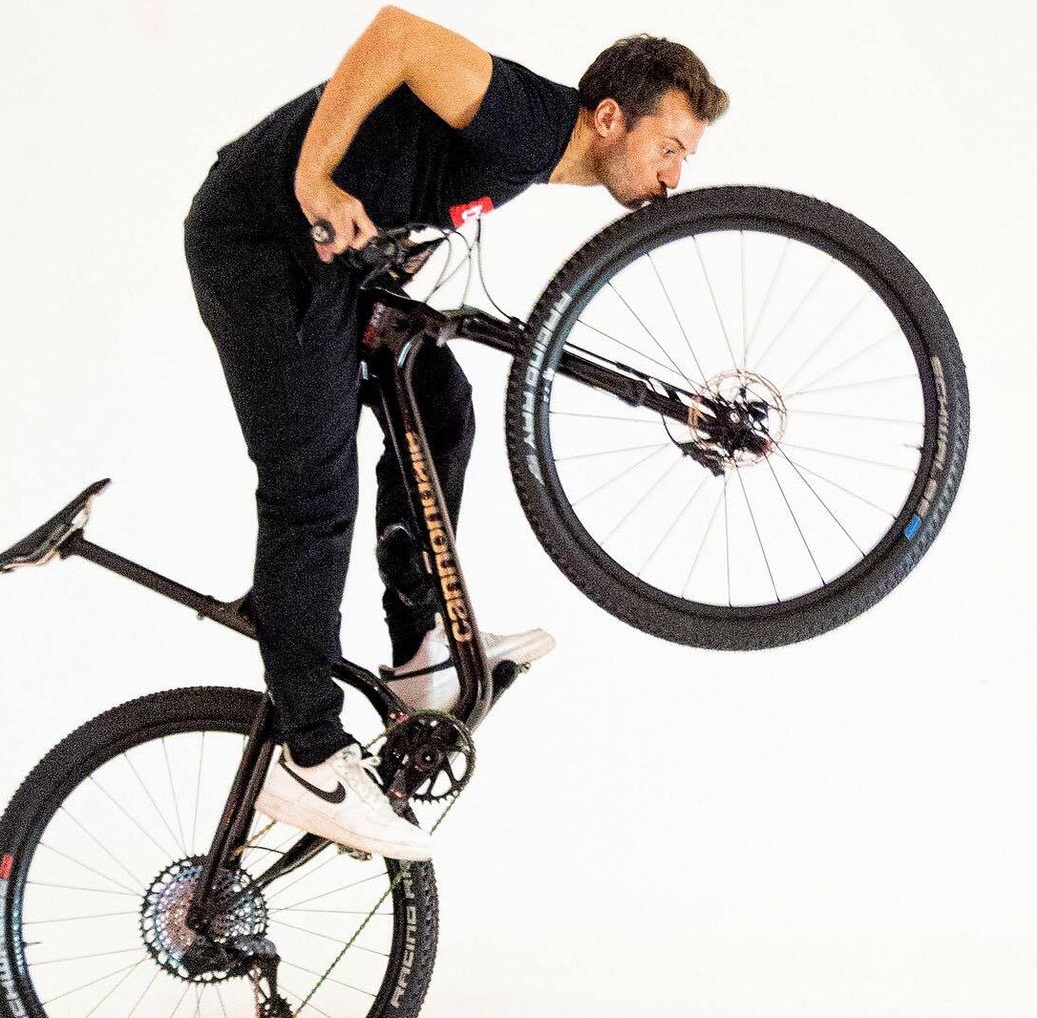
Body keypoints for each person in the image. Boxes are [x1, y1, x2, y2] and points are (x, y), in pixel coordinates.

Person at [183, 6, 728, 862]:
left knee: (439, 406)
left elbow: (406, 157)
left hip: (332, 261)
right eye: (670, 145)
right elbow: (396, 35)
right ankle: (310, 754)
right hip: (258, 245)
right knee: (312, 489)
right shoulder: (527, 119)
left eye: (686, 157)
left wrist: (391, 244)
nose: (675, 172)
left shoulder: (527, 158)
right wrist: (316, 176)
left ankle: (418, 655)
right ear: (609, 118)